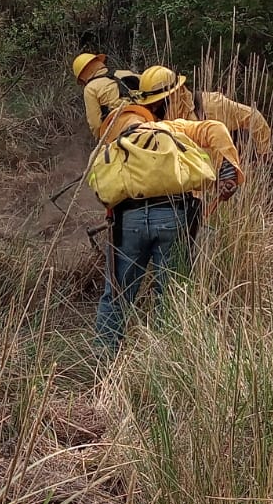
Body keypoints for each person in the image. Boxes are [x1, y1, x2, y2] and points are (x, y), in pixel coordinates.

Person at [87, 115, 244, 352]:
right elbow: (216, 128)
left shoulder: (114, 143)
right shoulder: (170, 127)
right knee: (172, 295)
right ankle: (167, 358)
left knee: (117, 296)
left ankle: (104, 361)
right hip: (173, 215)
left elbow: (101, 188)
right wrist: (228, 172)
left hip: (128, 220)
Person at [136, 64, 273, 159]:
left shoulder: (212, 105)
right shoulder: (150, 120)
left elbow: (254, 117)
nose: (153, 109)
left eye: (156, 104)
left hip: (222, 182)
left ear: (173, 95)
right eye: (149, 105)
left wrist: (263, 153)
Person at [72, 53, 145, 141]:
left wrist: (101, 141)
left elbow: (95, 124)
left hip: (118, 129)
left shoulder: (90, 88)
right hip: (145, 116)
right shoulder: (125, 73)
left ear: (82, 77)